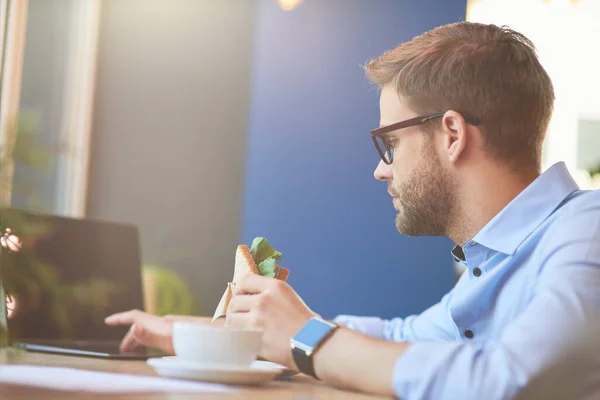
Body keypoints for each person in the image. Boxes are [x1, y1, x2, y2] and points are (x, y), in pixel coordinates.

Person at [105, 22, 600, 399]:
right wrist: (230, 336)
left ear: (452, 134)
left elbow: (511, 381)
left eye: (390, 143)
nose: (381, 171)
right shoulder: (491, 260)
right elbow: (402, 337)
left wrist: (303, 338)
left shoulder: (588, 227)